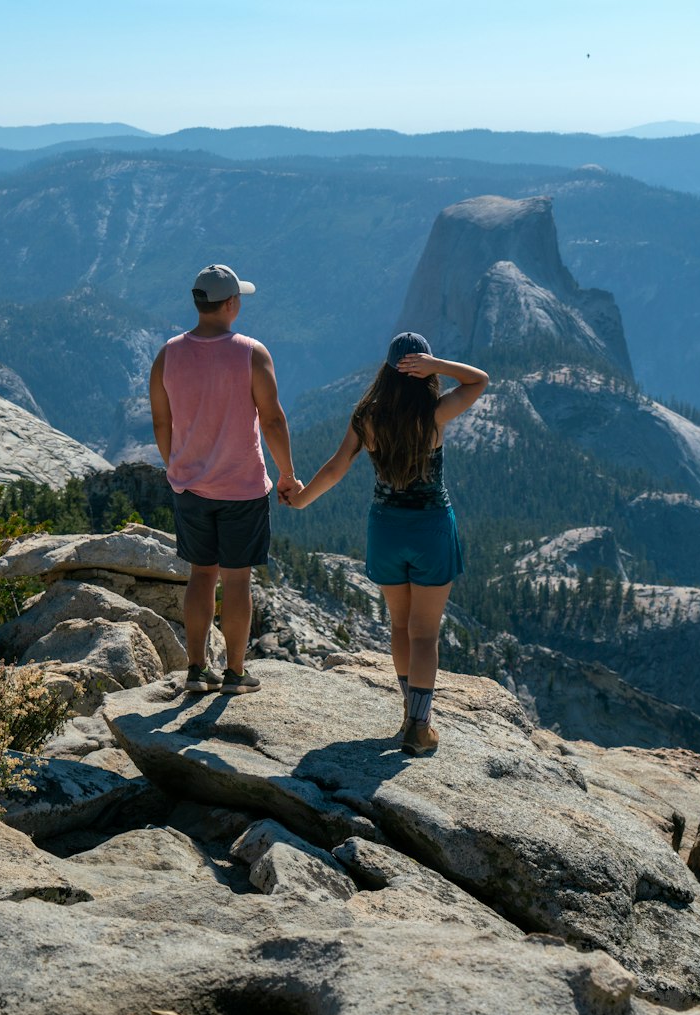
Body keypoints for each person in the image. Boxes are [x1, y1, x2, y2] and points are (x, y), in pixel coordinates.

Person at [286, 331, 488, 755]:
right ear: (421, 370)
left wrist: (302, 499)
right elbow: (479, 381)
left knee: (400, 626)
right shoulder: (433, 413)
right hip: (431, 529)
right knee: (425, 634)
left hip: (386, 530)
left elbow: (338, 466)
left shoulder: (367, 417)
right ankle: (419, 726)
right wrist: (440, 366)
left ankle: (409, 714)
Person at [149, 263, 303, 697]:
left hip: (190, 487)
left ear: (199, 302)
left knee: (201, 575)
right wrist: (288, 474)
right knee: (237, 580)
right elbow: (272, 420)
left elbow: (162, 422)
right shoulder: (251, 353)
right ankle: (235, 673)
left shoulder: (168, 354)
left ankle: (196, 669)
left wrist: (178, 464)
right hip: (242, 487)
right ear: (232, 303)